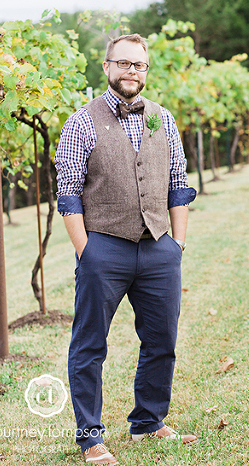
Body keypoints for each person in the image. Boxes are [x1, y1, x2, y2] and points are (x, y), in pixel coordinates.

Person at [55, 33, 198, 464]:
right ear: (107, 67)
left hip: (159, 248)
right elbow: (68, 192)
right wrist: (87, 251)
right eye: (123, 63)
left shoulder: (162, 118)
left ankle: (148, 422)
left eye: (139, 65)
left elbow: (178, 181)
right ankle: (90, 437)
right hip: (103, 248)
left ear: (145, 70)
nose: (131, 71)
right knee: (90, 345)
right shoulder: (81, 122)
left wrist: (177, 244)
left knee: (162, 339)